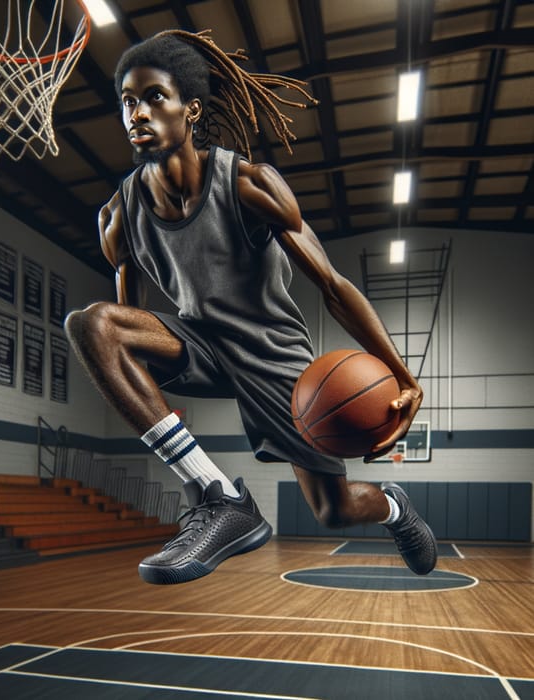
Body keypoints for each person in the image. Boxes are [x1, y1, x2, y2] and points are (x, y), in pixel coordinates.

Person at [66, 29, 437, 585]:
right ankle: (217, 497)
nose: (136, 113)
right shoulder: (117, 215)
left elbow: (333, 286)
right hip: (198, 344)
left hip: (274, 358)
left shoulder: (248, 185)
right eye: (126, 102)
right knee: (91, 324)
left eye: (152, 98)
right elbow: (127, 318)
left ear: (191, 110)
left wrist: (405, 377)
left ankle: (393, 507)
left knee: (333, 510)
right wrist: (150, 394)